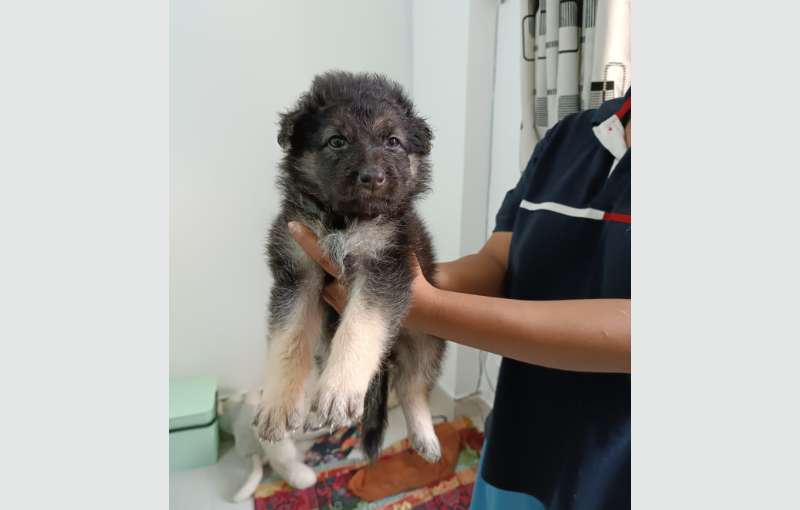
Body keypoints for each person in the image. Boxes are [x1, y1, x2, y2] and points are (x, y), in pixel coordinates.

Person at [288, 89, 632, 510]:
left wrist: (421, 306)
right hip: (518, 444)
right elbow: (497, 262)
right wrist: (401, 280)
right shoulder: (568, 138)